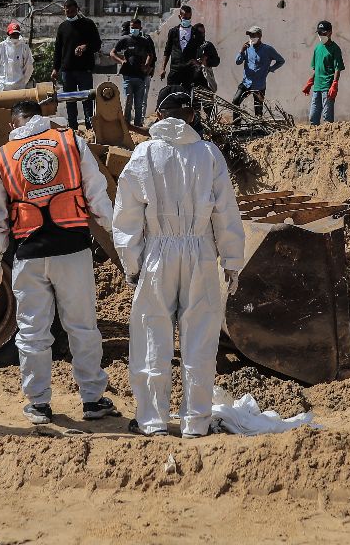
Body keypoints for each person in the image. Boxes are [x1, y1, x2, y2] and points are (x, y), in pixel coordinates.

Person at [112, 86, 246, 438]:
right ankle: (195, 422)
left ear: (159, 115)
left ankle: (153, 421)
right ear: (191, 117)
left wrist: (132, 264)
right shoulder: (209, 154)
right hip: (200, 251)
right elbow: (226, 213)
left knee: (151, 334)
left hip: (158, 250)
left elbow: (126, 216)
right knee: (200, 337)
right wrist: (231, 260)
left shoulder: (144, 154)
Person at [0, 100, 119, 425]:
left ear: (14, 126)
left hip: (29, 255)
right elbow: (97, 194)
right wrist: (117, 235)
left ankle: (39, 404)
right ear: (41, 121)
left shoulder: (2, 157)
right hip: (72, 252)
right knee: (82, 327)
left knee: (32, 332)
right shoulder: (71, 143)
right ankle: (93, 400)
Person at [52, 0, 102, 130]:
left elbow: (97, 44)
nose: (69, 13)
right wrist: (55, 68)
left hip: (84, 69)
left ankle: (90, 126)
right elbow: (58, 49)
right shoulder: (62, 27)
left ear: (77, 9)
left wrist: (85, 47)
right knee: (70, 100)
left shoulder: (88, 24)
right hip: (67, 70)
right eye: (67, 10)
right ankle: (73, 126)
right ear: (64, 10)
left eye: (72, 10)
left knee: (87, 98)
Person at [111, 19, 156, 127]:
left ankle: (138, 125)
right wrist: (121, 61)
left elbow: (151, 55)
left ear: (140, 28)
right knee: (128, 101)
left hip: (140, 76)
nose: (134, 29)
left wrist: (146, 65)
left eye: (136, 28)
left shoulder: (144, 41)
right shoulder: (125, 39)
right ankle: (126, 124)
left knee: (139, 103)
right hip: (128, 75)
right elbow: (112, 53)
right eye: (132, 27)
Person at [233, 25, 284, 118]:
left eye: (253, 35)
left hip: (259, 84)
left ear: (260, 36)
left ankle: (258, 129)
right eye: (250, 35)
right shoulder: (247, 48)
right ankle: (236, 125)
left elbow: (281, 61)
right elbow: (237, 62)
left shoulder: (268, 49)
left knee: (258, 108)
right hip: (246, 82)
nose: (251, 38)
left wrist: (271, 69)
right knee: (235, 101)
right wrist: (241, 50)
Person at [304, 20, 344, 125]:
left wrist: (334, 84)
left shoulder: (335, 49)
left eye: (323, 33)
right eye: (319, 33)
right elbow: (316, 68)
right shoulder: (317, 48)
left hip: (328, 87)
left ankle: (328, 138)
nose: (321, 35)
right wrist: (310, 82)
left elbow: (337, 68)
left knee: (327, 118)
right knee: (313, 116)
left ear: (330, 32)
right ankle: (314, 138)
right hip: (317, 87)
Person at [161, 4, 203, 90]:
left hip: (189, 71)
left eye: (189, 18)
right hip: (175, 69)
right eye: (185, 18)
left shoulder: (196, 33)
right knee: (171, 93)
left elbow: (202, 49)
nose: (187, 20)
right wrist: (163, 68)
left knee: (187, 95)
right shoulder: (173, 32)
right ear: (180, 17)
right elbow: (167, 51)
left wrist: (198, 63)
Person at [0, 22, 34, 92]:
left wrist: (23, 81)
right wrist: (2, 80)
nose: (15, 35)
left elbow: (29, 67)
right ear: (8, 34)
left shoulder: (24, 47)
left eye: (17, 33)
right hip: (3, 85)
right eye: (13, 34)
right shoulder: (2, 46)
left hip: (19, 86)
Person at [193, 23, 220, 94]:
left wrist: (206, 62)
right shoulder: (190, 46)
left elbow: (216, 61)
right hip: (192, 81)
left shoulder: (208, 45)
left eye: (203, 33)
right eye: (200, 33)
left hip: (205, 81)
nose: (202, 35)